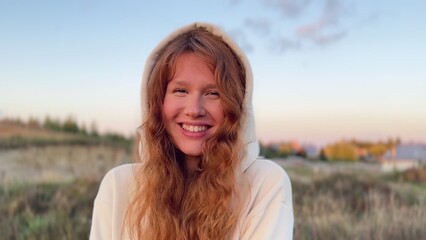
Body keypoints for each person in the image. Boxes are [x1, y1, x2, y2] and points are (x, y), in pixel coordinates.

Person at [90, 22, 294, 240]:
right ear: (157, 101)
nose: (194, 110)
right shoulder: (118, 187)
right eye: (180, 90)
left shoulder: (265, 184)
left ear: (237, 106)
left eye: (213, 93)